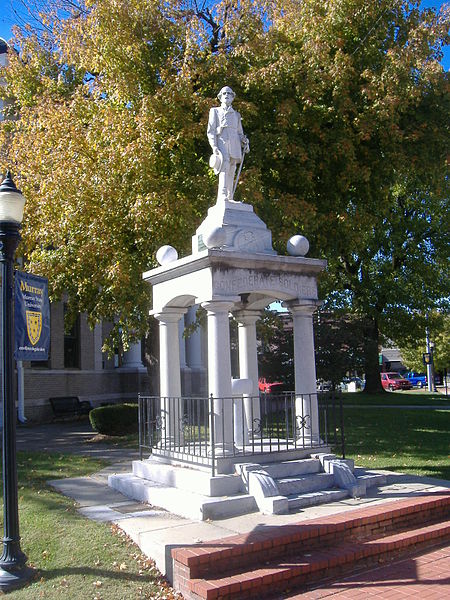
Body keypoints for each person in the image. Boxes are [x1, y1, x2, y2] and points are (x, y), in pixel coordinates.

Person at [207, 86, 249, 202]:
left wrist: (244, 141)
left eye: (229, 94)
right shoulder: (215, 111)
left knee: (232, 168)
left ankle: (230, 196)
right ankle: (223, 195)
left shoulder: (236, 115)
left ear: (232, 97)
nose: (227, 95)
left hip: (234, 145)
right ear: (220, 97)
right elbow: (210, 131)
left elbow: (240, 132)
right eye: (224, 93)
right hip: (222, 143)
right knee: (224, 167)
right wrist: (214, 146)